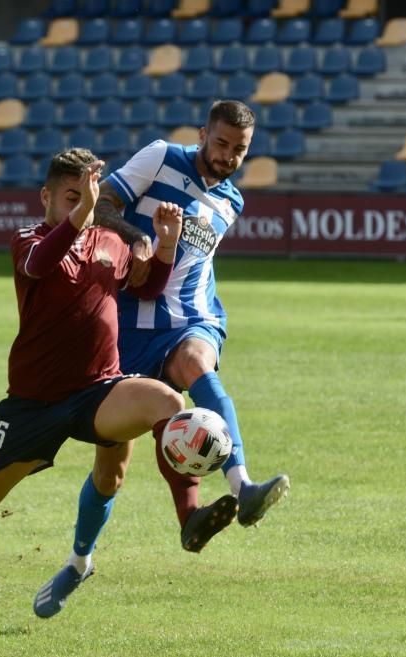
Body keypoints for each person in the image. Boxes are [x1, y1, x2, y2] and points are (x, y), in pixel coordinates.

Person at [0, 148, 186, 637]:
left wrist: (166, 247)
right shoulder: (28, 240)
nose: (81, 204)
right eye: (72, 196)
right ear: (47, 196)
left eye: (87, 194)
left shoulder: (110, 241)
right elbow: (43, 264)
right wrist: (85, 211)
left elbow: (146, 289)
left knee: (169, 404)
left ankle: (188, 516)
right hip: (33, 404)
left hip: (98, 389)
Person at [33, 100, 290, 618]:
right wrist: (141, 240)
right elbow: (101, 205)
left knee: (196, 372)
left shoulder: (232, 201)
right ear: (203, 134)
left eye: (239, 150)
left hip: (189, 320)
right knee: (110, 470)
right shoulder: (160, 156)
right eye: (220, 144)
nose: (227, 157)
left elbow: (200, 262)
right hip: (126, 326)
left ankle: (241, 489)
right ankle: (80, 563)